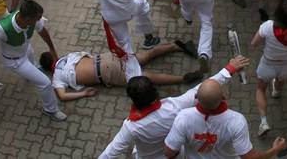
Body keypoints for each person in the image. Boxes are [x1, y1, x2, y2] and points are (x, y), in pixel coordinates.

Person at [98, 56, 249, 159]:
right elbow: (201, 88)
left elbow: (111, 152)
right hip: (176, 154)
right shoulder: (175, 106)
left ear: (133, 101)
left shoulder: (130, 127)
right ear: (156, 93)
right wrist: (229, 68)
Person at [0, 0, 68, 122]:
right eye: (37, 18)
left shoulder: (31, 18)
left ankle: (32, 70)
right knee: (45, 83)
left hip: (25, 49)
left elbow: (42, 31)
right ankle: (51, 110)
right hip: (15, 61)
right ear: (28, 19)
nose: (39, 20)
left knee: (31, 53)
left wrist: (52, 49)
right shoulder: (3, 27)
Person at [164, 78, 287, 158]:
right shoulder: (236, 121)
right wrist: (275, 150)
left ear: (196, 97)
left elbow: (169, 152)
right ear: (223, 97)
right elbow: (249, 157)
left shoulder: (183, 118)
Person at [40, 41, 203, 102]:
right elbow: (86, 54)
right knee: (144, 56)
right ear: (53, 59)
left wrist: (84, 94)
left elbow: (62, 96)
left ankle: (183, 78)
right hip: (106, 58)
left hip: (106, 73)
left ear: (49, 70)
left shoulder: (57, 78)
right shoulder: (67, 57)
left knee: (145, 78)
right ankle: (176, 45)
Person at [251, 0, 287, 137]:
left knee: (260, 89)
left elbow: (254, 43)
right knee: (280, 80)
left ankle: (264, 121)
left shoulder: (267, 26)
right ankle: (276, 92)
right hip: (286, 66)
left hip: (267, 64)